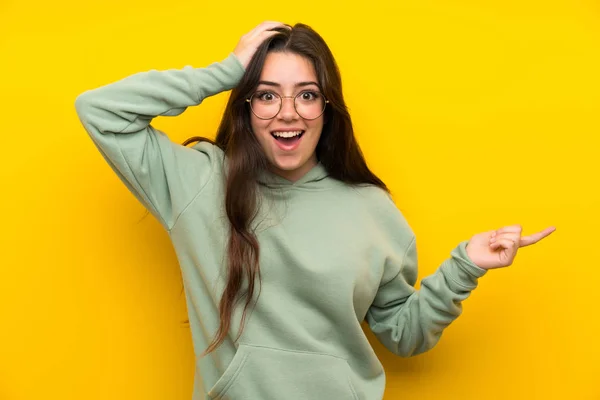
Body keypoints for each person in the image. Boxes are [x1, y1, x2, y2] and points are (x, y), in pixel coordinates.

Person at [74, 21, 555, 400]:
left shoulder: (370, 208)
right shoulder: (198, 183)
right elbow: (100, 110)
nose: (288, 112)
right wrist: (224, 71)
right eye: (266, 94)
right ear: (245, 106)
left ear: (327, 108)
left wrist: (465, 266)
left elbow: (405, 335)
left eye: (306, 94)